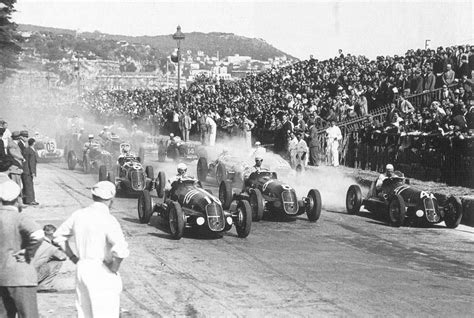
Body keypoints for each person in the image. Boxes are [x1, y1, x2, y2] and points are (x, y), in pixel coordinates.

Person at [53, 181, 129, 318]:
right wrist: (114, 267)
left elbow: (58, 236)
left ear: (93, 196)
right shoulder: (108, 219)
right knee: (106, 313)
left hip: (82, 268)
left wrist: (73, 258)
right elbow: (121, 250)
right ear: (111, 200)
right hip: (101, 270)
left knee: (85, 313)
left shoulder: (79, 215)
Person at [0, 175, 44, 318]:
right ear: (18, 199)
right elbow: (38, 234)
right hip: (21, 276)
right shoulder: (20, 217)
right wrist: (28, 252)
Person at [33, 224, 67, 293]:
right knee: (57, 262)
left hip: (24, 274)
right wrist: (58, 245)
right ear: (53, 234)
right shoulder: (50, 247)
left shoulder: (35, 241)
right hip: (33, 276)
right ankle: (44, 286)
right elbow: (63, 257)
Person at [22, 138, 38, 205]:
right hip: (28, 171)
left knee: (26, 186)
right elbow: (31, 163)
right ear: (33, 143)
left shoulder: (26, 150)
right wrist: (33, 172)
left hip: (24, 171)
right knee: (30, 186)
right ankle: (31, 200)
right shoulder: (31, 151)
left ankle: (26, 200)